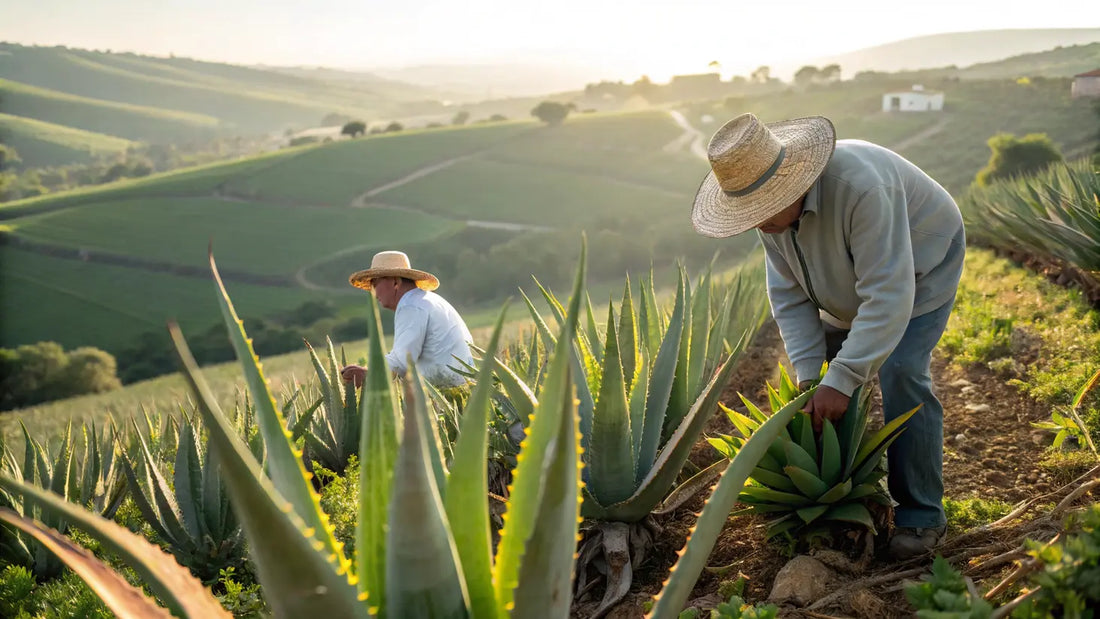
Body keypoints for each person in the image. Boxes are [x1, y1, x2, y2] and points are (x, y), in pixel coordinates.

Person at [691, 113, 965, 560]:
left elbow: (888, 296)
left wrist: (845, 376)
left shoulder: (863, 190)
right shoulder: (774, 219)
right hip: (847, 285)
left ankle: (921, 515)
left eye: (761, 212)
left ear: (792, 186)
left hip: (921, 268)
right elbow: (789, 298)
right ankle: (860, 492)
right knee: (824, 386)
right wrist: (812, 378)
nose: (758, 224)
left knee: (900, 372)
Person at [340, 251, 474, 389]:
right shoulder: (428, 300)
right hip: (462, 388)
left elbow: (402, 361)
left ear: (395, 282)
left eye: (375, 284)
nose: (374, 293)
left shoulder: (411, 306)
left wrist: (367, 374)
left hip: (447, 393)